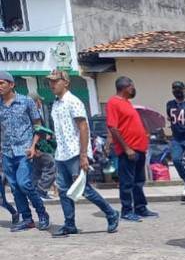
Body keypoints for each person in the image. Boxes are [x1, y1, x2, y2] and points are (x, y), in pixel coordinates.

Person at [46, 69, 119, 236]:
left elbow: (83, 127)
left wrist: (84, 155)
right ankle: (69, 223)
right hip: (61, 153)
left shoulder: (74, 101)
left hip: (75, 152)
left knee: (84, 189)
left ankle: (111, 213)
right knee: (64, 190)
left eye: (55, 81)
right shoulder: (56, 104)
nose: (52, 84)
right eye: (50, 82)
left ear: (65, 82)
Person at [0, 71, 50, 232]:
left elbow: (38, 126)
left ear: (11, 84)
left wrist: (33, 146)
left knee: (24, 184)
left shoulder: (26, 101)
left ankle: (42, 214)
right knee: (14, 187)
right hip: (7, 152)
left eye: (2, 83)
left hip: (24, 150)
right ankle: (27, 219)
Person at [106, 76, 157, 222]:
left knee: (138, 181)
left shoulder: (128, 103)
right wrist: (127, 148)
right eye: (132, 86)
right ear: (125, 87)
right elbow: (113, 127)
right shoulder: (113, 102)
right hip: (129, 149)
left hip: (139, 148)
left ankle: (140, 207)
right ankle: (127, 210)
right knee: (127, 182)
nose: (134, 89)